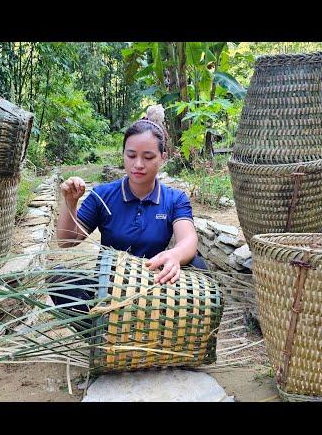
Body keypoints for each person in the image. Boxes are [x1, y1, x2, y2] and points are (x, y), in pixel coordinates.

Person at [52, 104, 207, 313]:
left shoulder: (174, 199)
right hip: (109, 289)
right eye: (131, 155)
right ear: (123, 155)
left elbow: (188, 240)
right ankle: (101, 334)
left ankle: (164, 331)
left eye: (149, 157)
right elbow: (66, 241)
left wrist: (176, 255)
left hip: (157, 289)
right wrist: (70, 203)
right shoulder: (103, 195)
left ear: (163, 157)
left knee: (198, 267)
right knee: (59, 279)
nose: (139, 164)